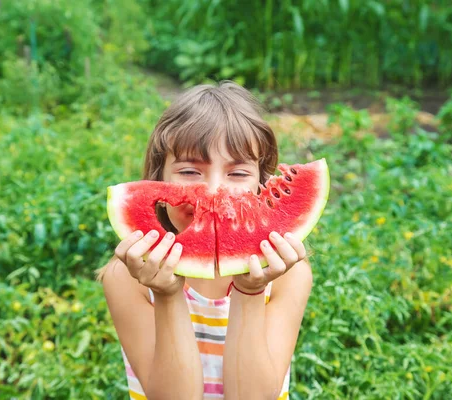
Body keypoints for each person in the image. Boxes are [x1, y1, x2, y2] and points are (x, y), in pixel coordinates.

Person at [95, 81, 313, 400]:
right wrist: (167, 295)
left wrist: (249, 292)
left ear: (262, 186)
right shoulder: (128, 277)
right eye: (189, 172)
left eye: (237, 174)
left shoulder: (287, 275)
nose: (213, 190)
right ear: (159, 183)